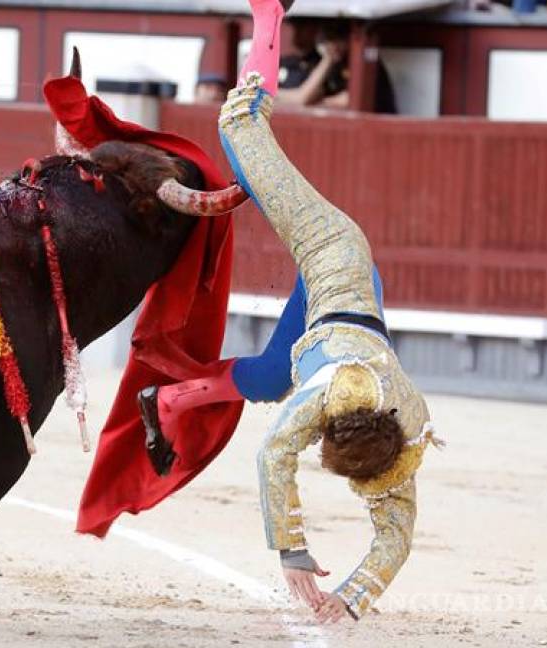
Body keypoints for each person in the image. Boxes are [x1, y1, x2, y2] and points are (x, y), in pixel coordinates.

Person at [138, 0, 439, 623]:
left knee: (274, 378)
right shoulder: (331, 399)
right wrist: (292, 552)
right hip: (334, 251)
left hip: (340, 307)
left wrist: (351, 598)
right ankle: (268, 14)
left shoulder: (404, 427)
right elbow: (274, 455)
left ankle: (169, 400)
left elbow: (396, 536)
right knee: (239, 124)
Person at [276, 23, 397, 114]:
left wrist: (329, 58)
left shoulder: (361, 62)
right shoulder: (313, 61)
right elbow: (304, 96)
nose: (328, 41)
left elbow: (348, 100)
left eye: (332, 36)